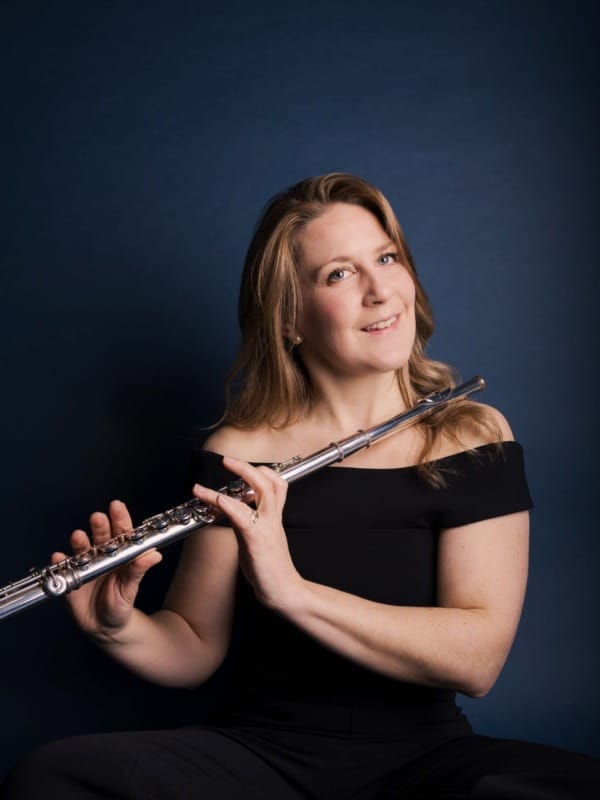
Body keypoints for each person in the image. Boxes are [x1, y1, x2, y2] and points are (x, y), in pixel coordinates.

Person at [2, 173, 599, 799]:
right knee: (50, 778)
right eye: (338, 274)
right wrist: (119, 629)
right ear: (289, 316)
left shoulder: (472, 435)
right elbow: (196, 647)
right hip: (262, 761)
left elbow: (477, 661)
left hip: (423, 761)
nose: (379, 291)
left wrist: (293, 592)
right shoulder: (239, 452)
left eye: (387, 258)